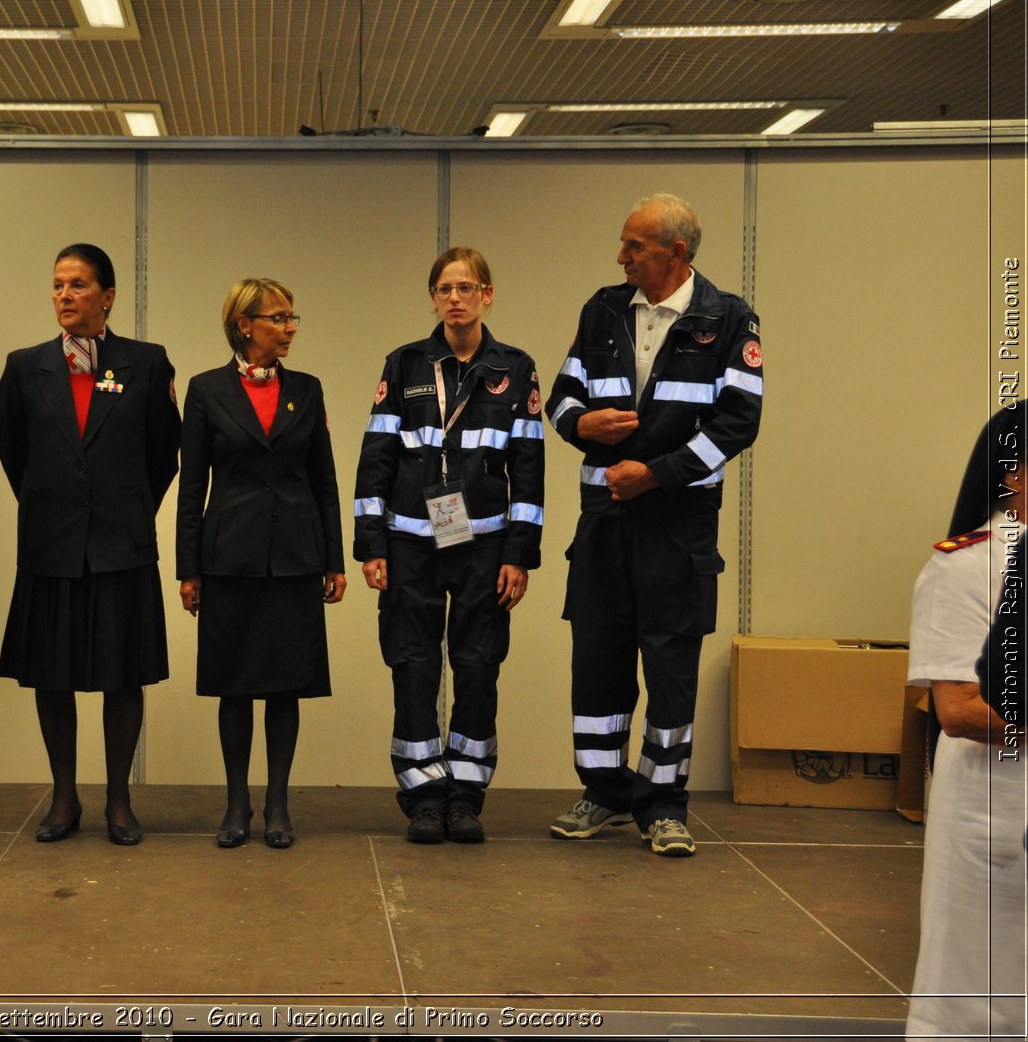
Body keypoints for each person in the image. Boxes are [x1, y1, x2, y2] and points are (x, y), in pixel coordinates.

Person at [545, 193, 763, 857]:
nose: (621, 256)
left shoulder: (726, 320)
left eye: (634, 246)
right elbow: (560, 397)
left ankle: (663, 805)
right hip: (603, 523)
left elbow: (738, 422)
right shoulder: (603, 309)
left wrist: (657, 473)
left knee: (669, 665)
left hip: (677, 524)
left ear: (676, 251)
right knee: (598, 660)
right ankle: (605, 793)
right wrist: (581, 424)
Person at [353, 247, 544, 845]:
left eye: (467, 287)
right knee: (412, 665)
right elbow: (375, 458)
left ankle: (465, 797)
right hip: (409, 542)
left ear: (488, 295)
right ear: (433, 299)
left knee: (477, 666)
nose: (455, 298)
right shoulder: (405, 364)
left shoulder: (515, 368)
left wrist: (519, 553)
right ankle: (422, 798)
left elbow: (530, 468)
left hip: (482, 547)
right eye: (445, 288)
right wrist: (369, 544)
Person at [0, 242, 180, 846]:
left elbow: (162, 454)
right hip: (52, 545)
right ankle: (64, 797)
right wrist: (59, 508)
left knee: (122, 676)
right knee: (53, 676)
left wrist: (122, 509)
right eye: (57, 285)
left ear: (107, 296)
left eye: (78, 285)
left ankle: (120, 801)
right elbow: (14, 454)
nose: (65, 296)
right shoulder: (25, 367)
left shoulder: (146, 364)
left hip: (120, 544)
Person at [177, 278, 346, 849]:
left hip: (296, 559)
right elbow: (192, 486)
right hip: (229, 560)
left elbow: (325, 481)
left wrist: (334, 560)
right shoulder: (205, 391)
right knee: (234, 686)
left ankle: (277, 801)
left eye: (293, 318)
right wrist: (188, 568)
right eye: (277, 318)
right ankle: (236, 802)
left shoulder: (309, 388)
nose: (289, 328)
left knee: (284, 686)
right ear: (244, 324)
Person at [905, 405, 1025, 1041]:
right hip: (994, 814)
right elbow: (959, 710)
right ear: (1014, 476)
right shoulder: (964, 567)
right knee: (979, 989)